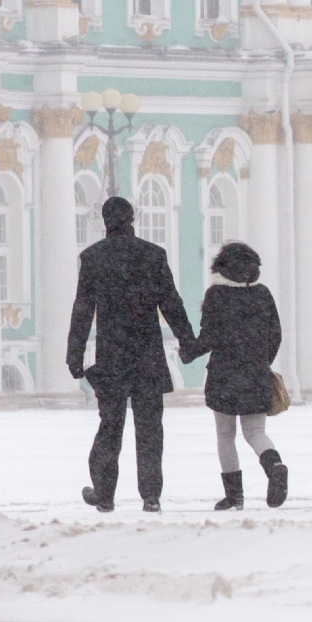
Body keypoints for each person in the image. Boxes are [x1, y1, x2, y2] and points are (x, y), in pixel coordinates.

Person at [67, 196, 196, 514]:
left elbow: (83, 309)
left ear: (106, 221)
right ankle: (151, 495)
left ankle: (105, 493)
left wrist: (75, 352)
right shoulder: (152, 255)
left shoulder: (93, 257)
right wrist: (187, 340)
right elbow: (171, 303)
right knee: (150, 427)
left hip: (113, 356)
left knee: (110, 425)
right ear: (132, 219)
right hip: (147, 355)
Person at [184, 242, 288, 509]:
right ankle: (274, 464)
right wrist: (262, 361)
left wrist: (189, 352)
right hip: (256, 373)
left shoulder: (217, 295)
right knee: (255, 432)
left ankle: (234, 496)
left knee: (225, 434)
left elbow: (209, 337)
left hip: (224, 376)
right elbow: (275, 334)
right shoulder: (262, 294)